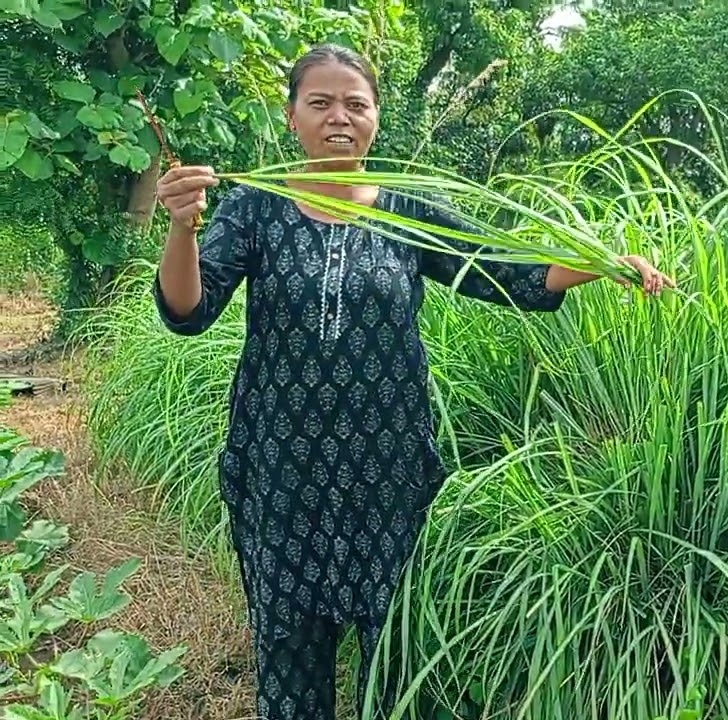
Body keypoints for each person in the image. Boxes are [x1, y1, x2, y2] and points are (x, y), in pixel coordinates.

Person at [152, 43, 673, 720]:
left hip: (389, 470)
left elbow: (503, 269)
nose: (339, 116)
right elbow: (189, 311)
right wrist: (182, 229)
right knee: (287, 645)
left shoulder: (405, 210)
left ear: (375, 117)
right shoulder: (255, 209)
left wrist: (603, 263)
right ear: (291, 118)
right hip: (280, 470)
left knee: (392, 648)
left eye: (356, 104)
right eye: (320, 103)